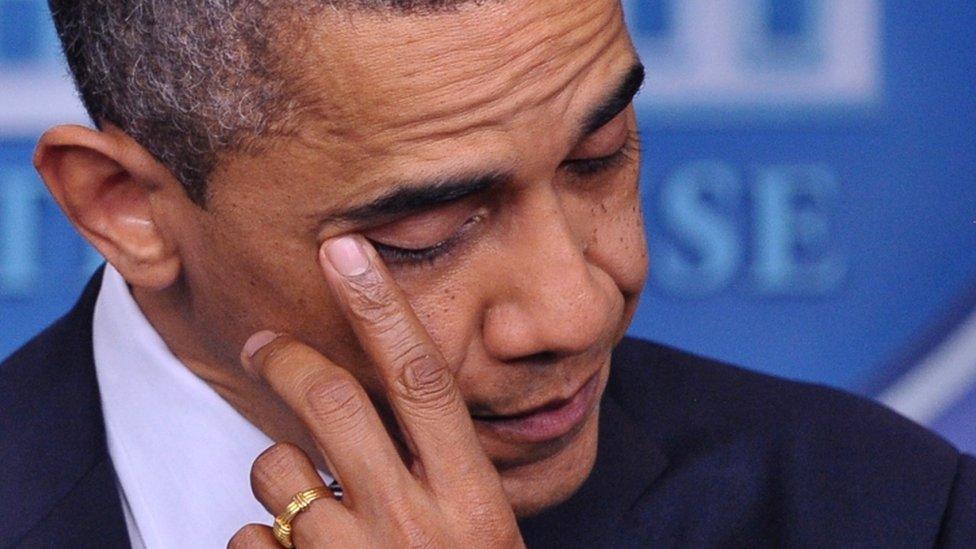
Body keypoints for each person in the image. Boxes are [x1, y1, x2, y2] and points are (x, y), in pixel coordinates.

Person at [1, 0, 973, 547]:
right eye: (422, 233)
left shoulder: (884, 511)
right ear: (118, 208)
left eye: (600, 157)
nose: (578, 308)